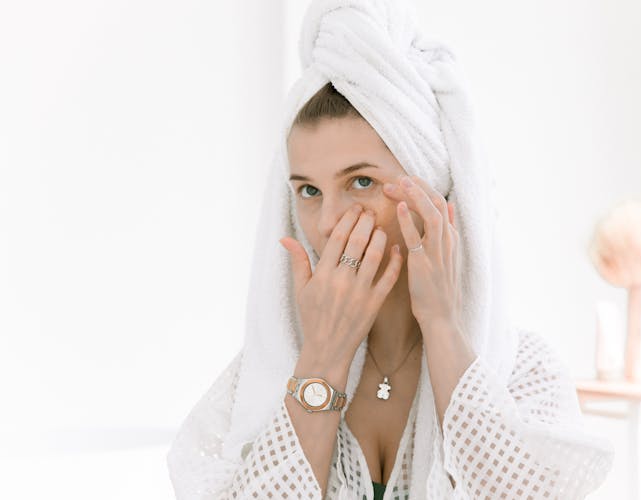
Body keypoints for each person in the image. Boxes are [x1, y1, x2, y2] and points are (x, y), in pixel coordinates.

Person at [166, 1, 614, 499]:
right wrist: (322, 360)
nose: (329, 221)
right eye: (308, 191)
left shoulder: (522, 370)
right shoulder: (262, 377)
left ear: (432, 192)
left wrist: (442, 326)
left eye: (361, 181)